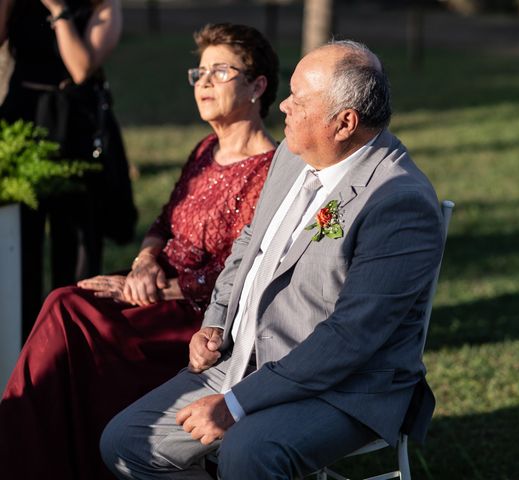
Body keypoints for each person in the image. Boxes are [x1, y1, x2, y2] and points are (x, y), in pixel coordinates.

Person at [101, 39, 444, 479]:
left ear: (344, 123)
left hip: (342, 388)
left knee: (247, 452)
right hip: (242, 360)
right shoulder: (291, 153)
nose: (282, 106)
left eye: (299, 99)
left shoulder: (398, 202)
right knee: (126, 442)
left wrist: (235, 405)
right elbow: (249, 243)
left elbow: (351, 339)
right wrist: (216, 319)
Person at [0, 22, 279, 480]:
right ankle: (28, 454)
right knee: (66, 303)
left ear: (257, 85)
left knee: (67, 306)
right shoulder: (206, 149)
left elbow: (245, 271)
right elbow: (162, 222)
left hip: (197, 322)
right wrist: (145, 262)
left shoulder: (270, 170)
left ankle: (26, 456)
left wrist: (157, 288)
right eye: (199, 73)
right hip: (151, 293)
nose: (204, 82)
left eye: (220, 71)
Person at [0, 0, 137, 341]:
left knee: (77, 243)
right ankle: (22, 343)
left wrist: (59, 10)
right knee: (21, 244)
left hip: (76, 125)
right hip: (25, 121)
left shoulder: (102, 6)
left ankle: (70, 341)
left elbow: (80, 67)